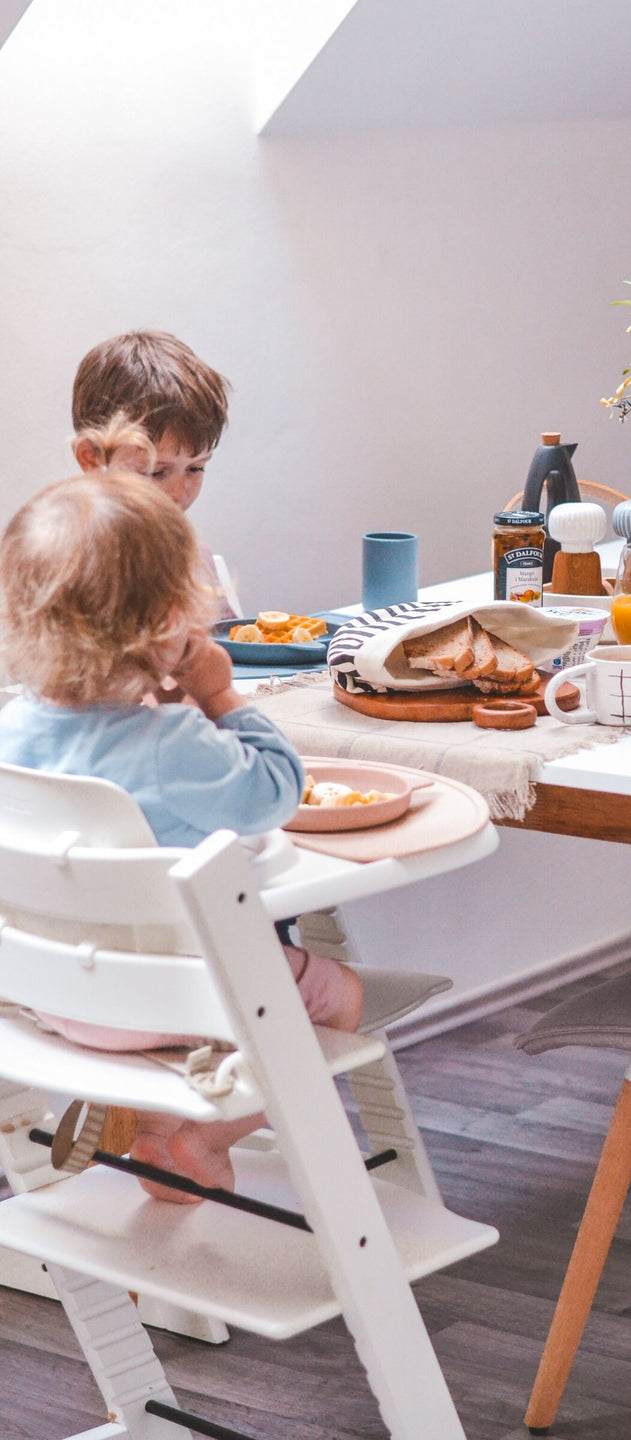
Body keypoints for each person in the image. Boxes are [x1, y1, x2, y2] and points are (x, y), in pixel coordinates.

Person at [0, 422, 363, 1203]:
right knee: (340, 996)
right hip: (170, 1003)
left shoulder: (11, 731)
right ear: (173, 614)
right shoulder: (174, 744)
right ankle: (196, 1135)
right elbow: (277, 791)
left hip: (49, 1000)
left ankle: (157, 1142)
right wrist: (217, 694)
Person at [71, 329, 230, 512]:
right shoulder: (66, 538)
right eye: (156, 473)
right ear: (91, 459)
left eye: (195, 468)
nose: (179, 493)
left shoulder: (186, 541)